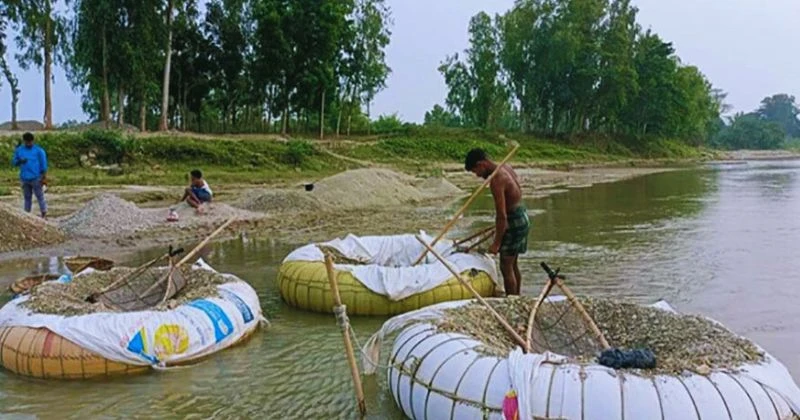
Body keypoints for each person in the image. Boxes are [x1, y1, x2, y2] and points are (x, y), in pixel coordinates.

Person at [464, 148, 530, 296]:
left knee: (505, 266)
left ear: (482, 164)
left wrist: (496, 243)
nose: (477, 175)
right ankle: (517, 297)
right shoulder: (505, 167)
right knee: (513, 263)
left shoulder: (496, 180)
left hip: (514, 221)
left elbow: (501, 216)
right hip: (522, 216)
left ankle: (511, 300)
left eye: (476, 171)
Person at [12, 132, 48, 219]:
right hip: (24, 178)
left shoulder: (39, 151)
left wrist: (43, 177)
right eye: (27, 142)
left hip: (36, 177)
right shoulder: (19, 150)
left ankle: (44, 213)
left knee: (39, 196)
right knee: (27, 197)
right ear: (24, 141)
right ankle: (27, 215)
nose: (29, 144)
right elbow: (14, 162)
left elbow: (43, 165)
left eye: (30, 142)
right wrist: (20, 161)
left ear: (33, 141)